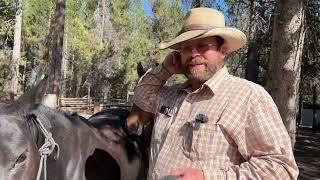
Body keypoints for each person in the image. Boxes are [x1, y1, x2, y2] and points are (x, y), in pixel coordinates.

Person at [132, 7, 298, 180]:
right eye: (186, 48)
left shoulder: (249, 97)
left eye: (203, 46)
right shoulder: (171, 95)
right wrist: (165, 69)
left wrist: (207, 177)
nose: (193, 54)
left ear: (223, 50)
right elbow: (141, 98)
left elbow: (281, 169)